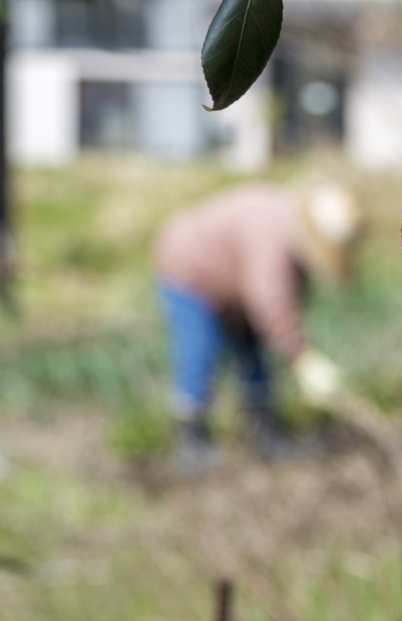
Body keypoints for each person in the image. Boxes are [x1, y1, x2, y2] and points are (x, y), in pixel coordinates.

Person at [153, 180, 360, 466]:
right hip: (190, 271)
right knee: (199, 351)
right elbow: (271, 302)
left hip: (234, 280)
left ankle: (262, 430)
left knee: (252, 351)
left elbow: (287, 300)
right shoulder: (272, 237)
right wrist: (302, 357)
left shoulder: (288, 231)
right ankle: (191, 437)